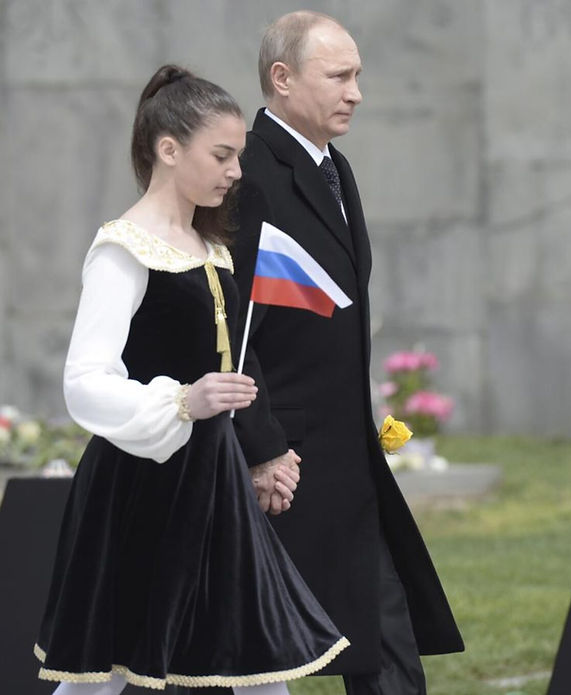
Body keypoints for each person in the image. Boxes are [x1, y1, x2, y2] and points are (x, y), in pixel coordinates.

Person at [34, 65, 349, 695]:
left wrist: (263, 451)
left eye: (238, 156)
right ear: (169, 149)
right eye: (224, 155)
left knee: (258, 651)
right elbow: (85, 379)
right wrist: (183, 400)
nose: (237, 171)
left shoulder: (214, 247)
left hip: (215, 476)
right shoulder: (123, 249)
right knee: (104, 668)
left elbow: (235, 362)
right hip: (141, 483)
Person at [231, 11, 464, 695]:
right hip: (284, 468)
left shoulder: (336, 167)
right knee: (230, 656)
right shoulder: (246, 174)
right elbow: (228, 328)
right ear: (282, 79)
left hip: (345, 460)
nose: (356, 91)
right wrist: (263, 446)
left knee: (385, 636)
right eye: (339, 75)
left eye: (358, 74)